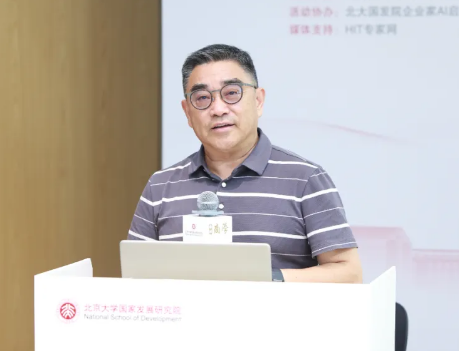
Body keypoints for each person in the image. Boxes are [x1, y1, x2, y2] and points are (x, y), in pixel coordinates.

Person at [128, 44, 362, 283]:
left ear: (258, 101)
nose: (218, 109)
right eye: (202, 98)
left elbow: (349, 274)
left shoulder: (305, 179)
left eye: (231, 93)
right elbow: (135, 278)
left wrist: (266, 280)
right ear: (187, 112)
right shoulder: (160, 187)